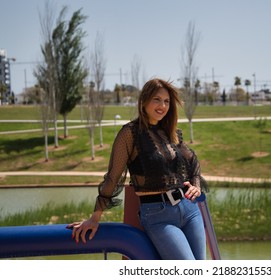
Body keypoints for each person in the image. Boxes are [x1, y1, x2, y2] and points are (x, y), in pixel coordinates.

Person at [67, 78, 208, 260]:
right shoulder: (129, 133)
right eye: (157, 99)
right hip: (158, 216)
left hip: (190, 210)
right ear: (144, 101)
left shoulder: (170, 132)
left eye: (166, 101)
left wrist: (195, 184)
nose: (162, 105)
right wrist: (95, 218)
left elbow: (193, 161)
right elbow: (113, 178)